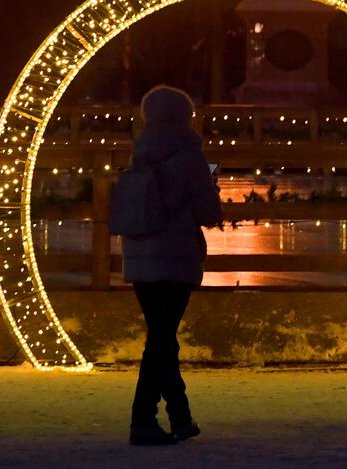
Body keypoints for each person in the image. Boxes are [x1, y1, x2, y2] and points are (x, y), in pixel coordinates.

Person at [122, 85, 222, 446]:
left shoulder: (140, 152)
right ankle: (143, 420)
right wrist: (212, 189)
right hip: (175, 254)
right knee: (162, 340)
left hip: (139, 255)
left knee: (162, 339)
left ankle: (180, 416)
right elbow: (209, 212)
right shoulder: (189, 155)